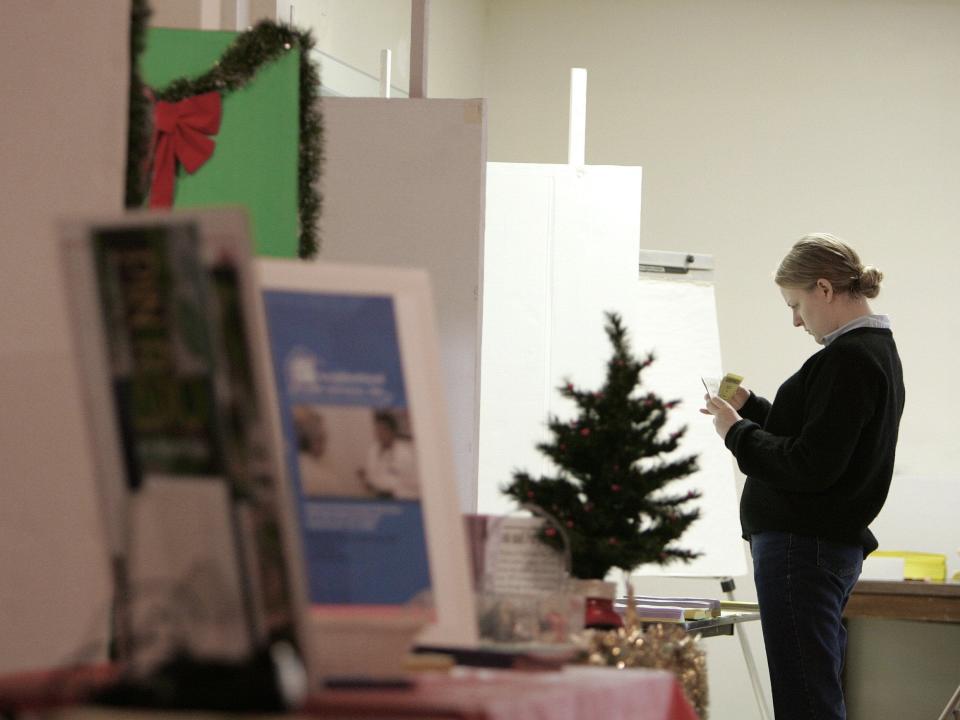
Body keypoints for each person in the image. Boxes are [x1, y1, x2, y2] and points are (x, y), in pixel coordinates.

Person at [701, 233, 905, 720]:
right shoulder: (868, 352)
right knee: (812, 691)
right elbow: (819, 443)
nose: (795, 320)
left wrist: (737, 434)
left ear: (824, 289)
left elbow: (811, 465)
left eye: (796, 305)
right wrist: (754, 411)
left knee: (805, 700)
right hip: (815, 547)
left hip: (802, 549)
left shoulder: (850, 358)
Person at [357, 411, 419, 500]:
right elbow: (372, 477)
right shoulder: (374, 449)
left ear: (392, 431)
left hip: (401, 498)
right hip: (379, 497)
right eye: (377, 430)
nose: (379, 434)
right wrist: (365, 477)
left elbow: (414, 483)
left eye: (383, 430)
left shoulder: (405, 453)